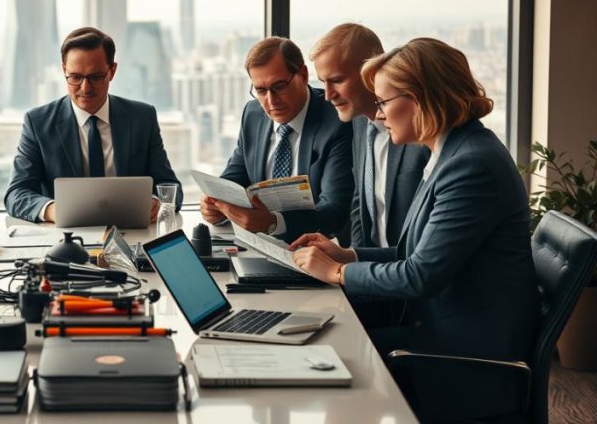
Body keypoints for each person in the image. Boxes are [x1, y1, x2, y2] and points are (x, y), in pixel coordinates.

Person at [290, 38, 538, 364]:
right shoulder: (452, 151)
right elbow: (416, 253)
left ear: (418, 100)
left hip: (471, 350)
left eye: (383, 102)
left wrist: (337, 272)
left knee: (329, 347)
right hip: (442, 324)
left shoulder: (471, 164)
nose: (379, 114)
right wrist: (348, 255)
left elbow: (419, 275)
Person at [4, 27, 183, 223]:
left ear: (112, 71)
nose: (85, 88)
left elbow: (170, 186)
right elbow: (16, 194)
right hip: (66, 236)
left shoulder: (142, 118)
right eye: (75, 77)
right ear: (64, 70)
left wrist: (157, 202)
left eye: (96, 77)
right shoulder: (38, 123)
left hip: (132, 233)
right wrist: (54, 210)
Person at [201, 36, 353, 242]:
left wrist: (273, 223)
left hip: (317, 248)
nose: (271, 101)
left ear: (303, 75)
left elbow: (334, 211)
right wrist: (216, 205)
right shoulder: (253, 114)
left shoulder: (336, 121)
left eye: (279, 86)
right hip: (260, 244)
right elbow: (235, 177)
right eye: (261, 91)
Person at [310, 23, 429, 249]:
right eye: (323, 82)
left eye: (337, 80)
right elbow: (359, 203)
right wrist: (352, 260)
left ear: (372, 72)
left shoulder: (418, 133)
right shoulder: (359, 123)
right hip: (374, 266)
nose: (328, 95)